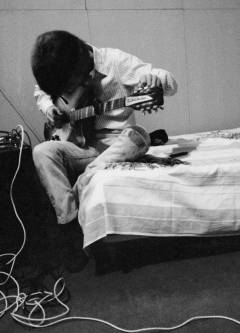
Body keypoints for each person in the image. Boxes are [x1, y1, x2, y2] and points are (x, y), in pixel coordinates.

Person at [30, 30, 178, 270]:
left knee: (138, 136)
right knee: (41, 151)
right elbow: (41, 93)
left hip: (114, 145)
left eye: (70, 85)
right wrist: (50, 109)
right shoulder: (56, 69)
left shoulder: (115, 61)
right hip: (79, 147)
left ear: (79, 64)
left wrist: (154, 78)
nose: (70, 90)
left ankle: (72, 205)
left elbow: (169, 82)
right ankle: (70, 226)